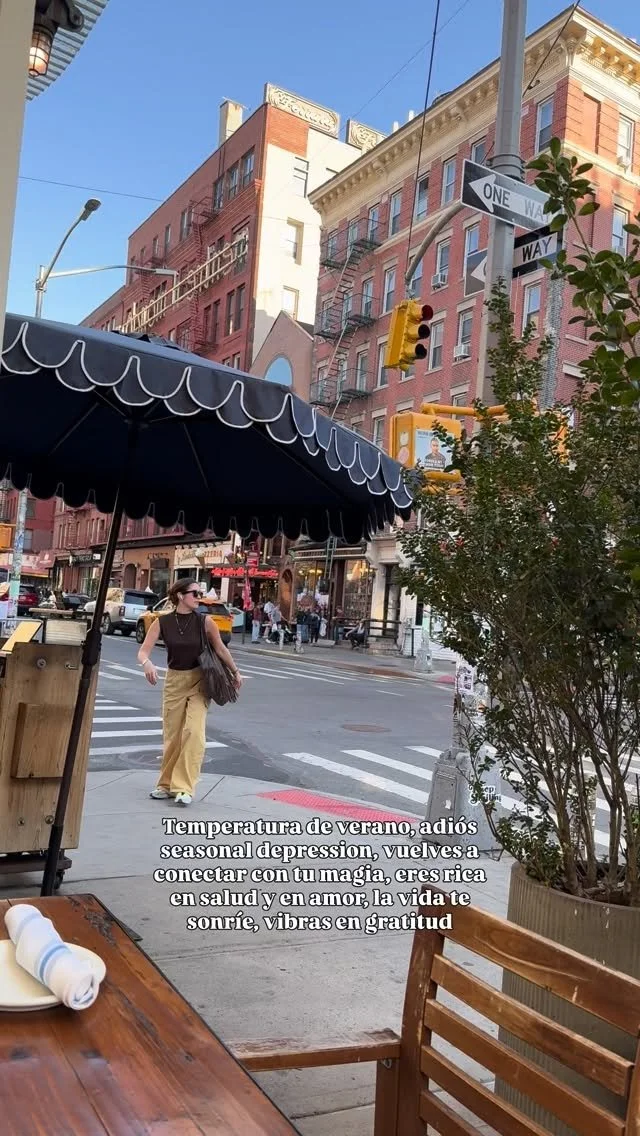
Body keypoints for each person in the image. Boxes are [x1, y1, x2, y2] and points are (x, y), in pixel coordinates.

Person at [137, 578, 242, 806]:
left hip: (199, 681)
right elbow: (143, 651)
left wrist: (235, 672)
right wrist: (147, 663)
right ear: (180, 596)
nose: (199, 598)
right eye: (195, 593)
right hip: (174, 682)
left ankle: (184, 787)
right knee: (173, 736)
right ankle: (166, 785)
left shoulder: (205, 622)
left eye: (199, 593)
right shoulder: (162, 622)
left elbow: (220, 648)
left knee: (194, 733)